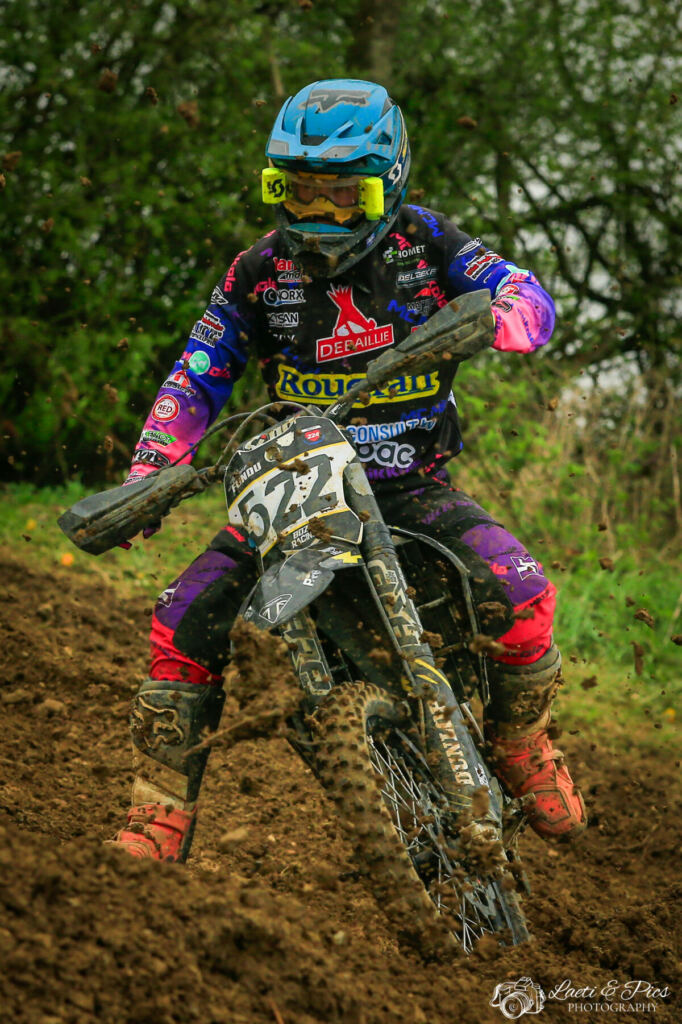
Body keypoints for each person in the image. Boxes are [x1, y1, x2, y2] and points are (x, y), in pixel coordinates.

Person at [111, 79, 586, 863]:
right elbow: (199, 369)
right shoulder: (259, 271)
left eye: (343, 194)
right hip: (292, 490)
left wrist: (499, 319)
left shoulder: (427, 242)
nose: (319, 212)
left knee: (523, 595)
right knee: (181, 618)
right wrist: (150, 471)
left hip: (407, 485)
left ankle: (520, 742)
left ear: (387, 183)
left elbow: (526, 294)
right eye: (298, 190)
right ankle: (157, 813)